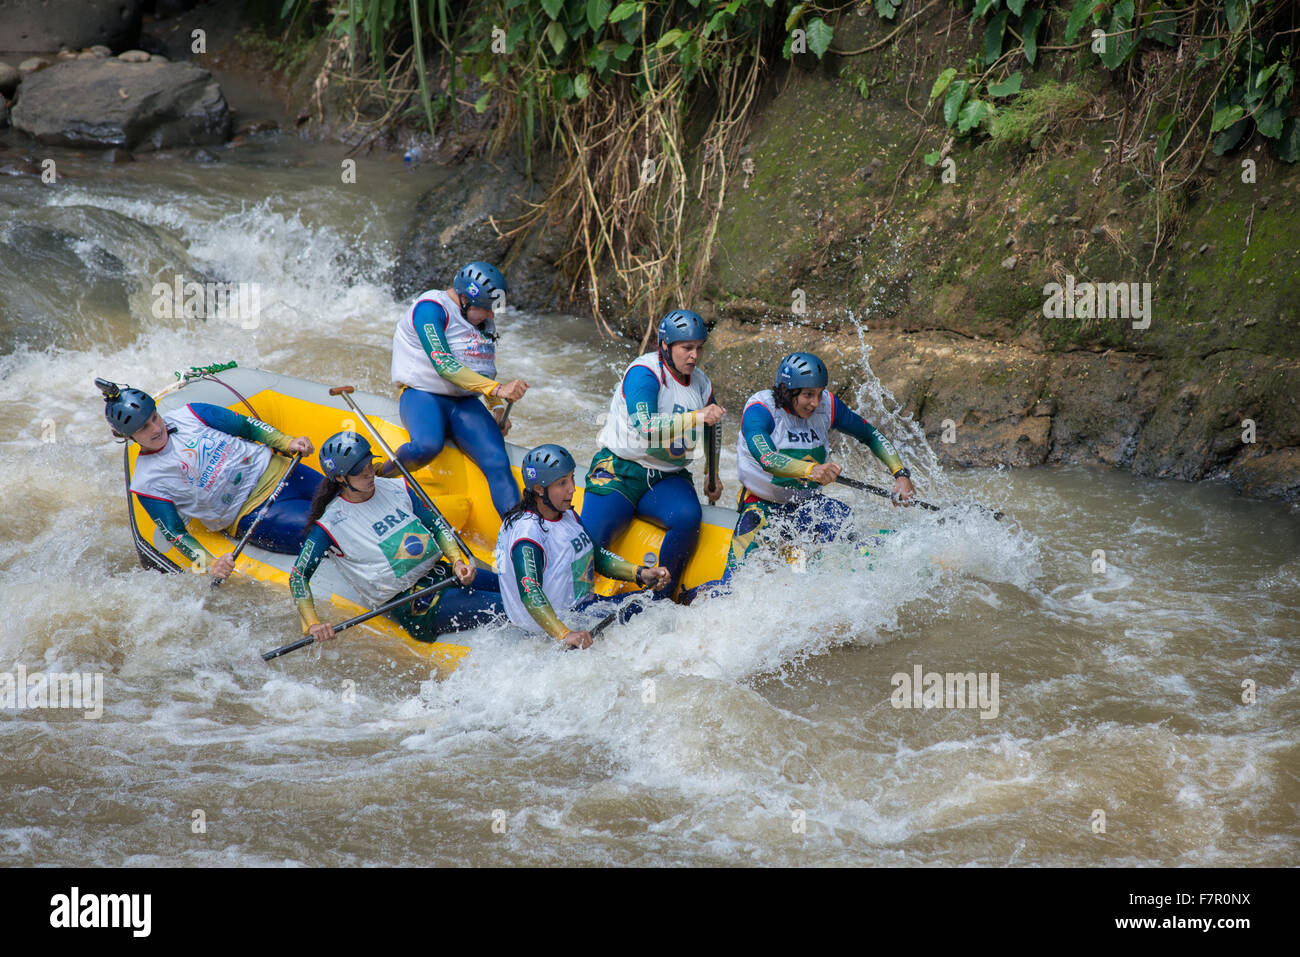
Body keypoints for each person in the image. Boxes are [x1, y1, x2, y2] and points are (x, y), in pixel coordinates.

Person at [290, 431, 504, 645]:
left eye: (368, 465)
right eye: (359, 472)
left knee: (515, 589)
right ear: (339, 478)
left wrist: (457, 562)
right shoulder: (329, 525)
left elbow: (437, 525)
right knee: (510, 605)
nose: (368, 473)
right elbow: (299, 576)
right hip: (416, 603)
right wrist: (312, 623)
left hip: (443, 573)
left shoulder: (396, 487)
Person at [99, 377, 321, 580]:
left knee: (350, 497)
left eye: (154, 418)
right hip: (251, 512)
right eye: (144, 428)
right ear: (128, 437)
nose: (156, 428)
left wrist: (285, 442)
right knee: (326, 531)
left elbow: (245, 426)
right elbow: (176, 534)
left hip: (283, 471)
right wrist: (210, 564)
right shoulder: (146, 483)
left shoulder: (191, 414)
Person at [723, 352, 916, 578]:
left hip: (809, 505)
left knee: (839, 515)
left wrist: (901, 474)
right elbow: (767, 458)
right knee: (735, 579)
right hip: (762, 505)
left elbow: (870, 435)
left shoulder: (827, 405)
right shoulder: (760, 409)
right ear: (786, 391)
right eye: (807, 395)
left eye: (819, 393)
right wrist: (811, 470)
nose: (815, 402)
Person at [579, 309, 725, 600]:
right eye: (687, 348)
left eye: (698, 348)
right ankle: (578, 602)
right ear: (666, 346)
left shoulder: (701, 383)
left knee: (687, 517)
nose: (694, 356)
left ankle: (661, 599)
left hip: (667, 477)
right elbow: (646, 427)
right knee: (587, 545)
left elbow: (714, 426)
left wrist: (713, 471)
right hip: (620, 471)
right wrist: (697, 416)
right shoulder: (644, 374)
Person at [385, 261, 528, 518]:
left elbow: (484, 371)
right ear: (464, 298)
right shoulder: (431, 308)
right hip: (422, 394)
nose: (492, 315)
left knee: (497, 460)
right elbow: (445, 365)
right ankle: (380, 475)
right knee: (427, 446)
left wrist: (495, 408)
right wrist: (498, 391)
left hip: (464, 403)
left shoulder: (483, 323)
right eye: (486, 309)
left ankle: (516, 531)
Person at [495, 444, 670, 649]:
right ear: (539, 490)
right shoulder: (529, 534)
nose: (572, 488)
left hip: (583, 610)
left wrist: (640, 573)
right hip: (554, 628)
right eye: (562, 483)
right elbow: (530, 592)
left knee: (657, 607)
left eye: (571, 478)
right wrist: (564, 634)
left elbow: (599, 557)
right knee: (654, 614)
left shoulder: (566, 514)